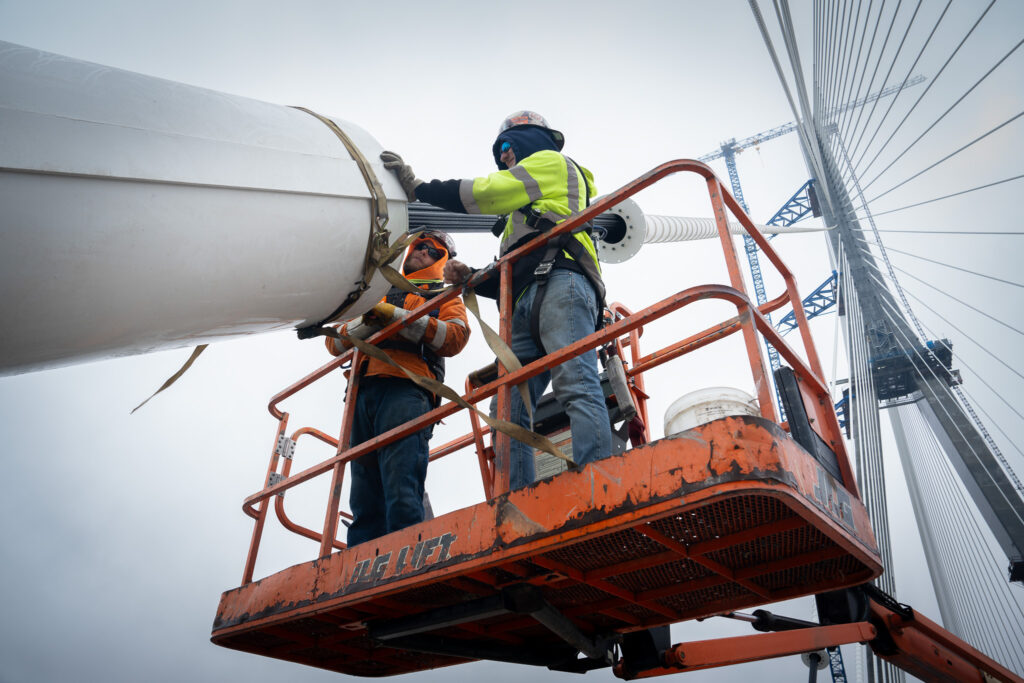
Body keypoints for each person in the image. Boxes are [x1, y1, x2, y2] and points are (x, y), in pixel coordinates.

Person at [380, 110, 612, 491]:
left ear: (532, 138)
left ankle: (599, 486)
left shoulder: (551, 163)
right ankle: (515, 499)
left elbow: (484, 193)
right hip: (525, 298)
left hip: (562, 283)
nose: (504, 156)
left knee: (575, 382)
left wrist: (419, 188)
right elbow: (516, 265)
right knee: (508, 408)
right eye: (500, 151)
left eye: (507, 147)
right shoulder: (522, 210)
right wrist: (473, 277)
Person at [326, 230, 470, 546]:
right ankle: (361, 567)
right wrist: (367, 321)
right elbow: (333, 343)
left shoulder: (442, 296)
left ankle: (407, 559)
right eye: (419, 245)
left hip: (408, 390)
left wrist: (403, 319)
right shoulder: (373, 293)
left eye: (433, 250)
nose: (422, 251)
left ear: (442, 260)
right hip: (362, 395)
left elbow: (455, 338)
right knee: (363, 496)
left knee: (401, 489)